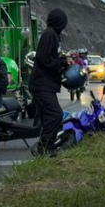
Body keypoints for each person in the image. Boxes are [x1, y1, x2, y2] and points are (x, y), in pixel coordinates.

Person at [32, 9, 69, 156]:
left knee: (48, 117)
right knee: (55, 114)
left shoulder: (53, 34)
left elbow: (49, 57)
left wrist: (62, 61)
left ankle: (47, 148)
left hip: (45, 84)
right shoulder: (49, 34)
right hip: (42, 84)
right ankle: (45, 148)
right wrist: (59, 63)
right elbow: (43, 57)